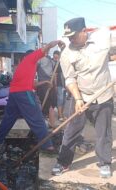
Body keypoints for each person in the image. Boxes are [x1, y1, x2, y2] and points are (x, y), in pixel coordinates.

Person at [51, 17, 115, 178]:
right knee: (71, 130)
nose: (71, 39)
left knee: (103, 132)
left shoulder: (103, 38)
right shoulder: (66, 54)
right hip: (80, 95)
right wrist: (78, 99)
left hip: (104, 94)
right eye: (68, 37)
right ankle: (63, 162)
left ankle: (105, 163)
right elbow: (70, 79)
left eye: (73, 35)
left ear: (84, 31)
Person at [0, 40, 64, 152]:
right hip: (24, 94)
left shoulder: (23, 67)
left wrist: (45, 83)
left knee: (8, 119)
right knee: (37, 118)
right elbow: (47, 47)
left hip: (14, 94)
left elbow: (32, 84)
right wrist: (58, 42)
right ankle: (47, 145)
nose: (41, 57)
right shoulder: (30, 59)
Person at [36, 53, 57, 129]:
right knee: (46, 106)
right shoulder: (40, 60)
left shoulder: (50, 61)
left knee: (50, 105)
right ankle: (49, 123)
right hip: (44, 85)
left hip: (48, 85)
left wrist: (54, 85)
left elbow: (54, 74)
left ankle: (51, 123)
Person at [53, 50, 66, 121]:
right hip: (59, 85)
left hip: (64, 85)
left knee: (64, 100)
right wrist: (55, 85)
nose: (55, 59)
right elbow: (55, 75)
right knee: (60, 100)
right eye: (54, 57)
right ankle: (60, 116)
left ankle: (62, 115)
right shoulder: (57, 64)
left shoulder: (64, 63)